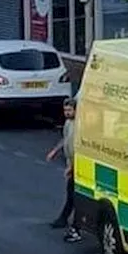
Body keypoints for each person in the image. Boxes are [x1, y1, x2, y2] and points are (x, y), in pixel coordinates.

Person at [45, 97, 81, 242]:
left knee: (74, 195)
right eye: (65, 110)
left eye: (69, 110)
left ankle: (72, 225)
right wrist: (55, 151)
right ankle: (65, 219)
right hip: (71, 163)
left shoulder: (79, 125)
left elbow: (78, 148)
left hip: (78, 165)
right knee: (70, 194)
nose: (67, 113)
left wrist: (71, 167)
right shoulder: (68, 123)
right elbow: (65, 141)